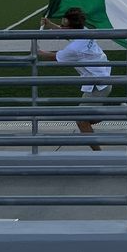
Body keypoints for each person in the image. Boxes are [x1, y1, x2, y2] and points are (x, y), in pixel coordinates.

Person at [37, 8, 112, 151]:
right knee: (86, 118)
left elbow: (56, 57)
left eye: (64, 24)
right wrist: (50, 24)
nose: (62, 25)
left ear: (71, 27)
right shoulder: (84, 30)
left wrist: (38, 52)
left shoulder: (75, 48)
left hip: (97, 85)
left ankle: (99, 154)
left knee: (81, 120)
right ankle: (117, 113)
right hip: (102, 79)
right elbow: (66, 32)